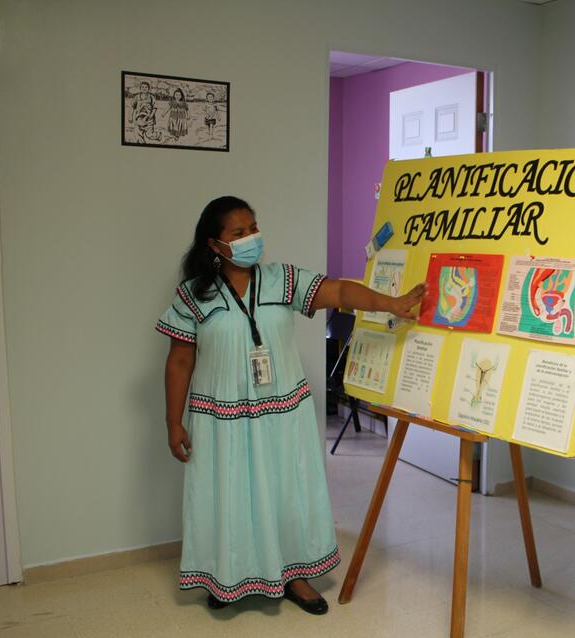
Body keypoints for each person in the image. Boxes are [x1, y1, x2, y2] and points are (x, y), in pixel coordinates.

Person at [156, 196, 424, 614]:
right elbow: (180, 361)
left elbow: (337, 290)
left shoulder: (282, 279)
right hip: (219, 418)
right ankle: (226, 575)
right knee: (227, 495)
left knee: (287, 492)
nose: (251, 239)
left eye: (254, 228)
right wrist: (174, 422)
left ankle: (294, 576)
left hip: (283, 413)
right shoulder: (194, 295)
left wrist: (390, 302)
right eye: (239, 233)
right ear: (214, 244)